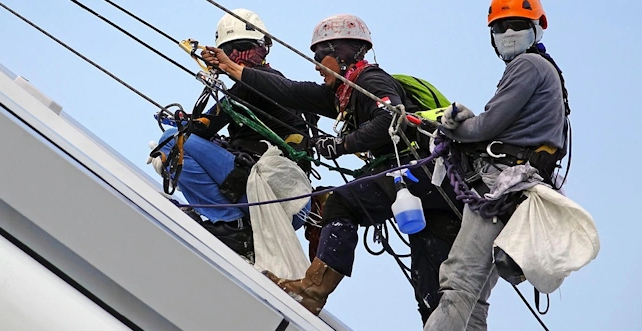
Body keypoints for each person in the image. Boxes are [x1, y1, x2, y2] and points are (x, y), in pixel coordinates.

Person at [202, 14, 473, 322]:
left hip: (422, 170)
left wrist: (340, 145)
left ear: (342, 54)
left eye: (320, 56)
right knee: (429, 282)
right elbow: (289, 91)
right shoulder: (341, 95)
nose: (316, 65)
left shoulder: (371, 80)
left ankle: (312, 291)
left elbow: (388, 119)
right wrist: (232, 68)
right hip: (436, 188)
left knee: (342, 201)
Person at [423, 0, 568, 330]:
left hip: (501, 185)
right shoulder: (547, 71)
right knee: (475, 296)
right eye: (501, 27)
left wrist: (452, 126)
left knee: (459, 281)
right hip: (519, 188)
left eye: (517, 24)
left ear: (536, 29)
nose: (509, 33)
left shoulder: (528, 65)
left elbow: (487, 127)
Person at [150, 9, 310, 261]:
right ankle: (234, 224)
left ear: (263, 48)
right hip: (289, 202)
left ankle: (230, 224)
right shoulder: (270, 85)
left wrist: (186, 125)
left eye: (243, 47)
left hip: (276, 195)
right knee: (192, 144)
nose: (236, 56)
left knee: (172, 141)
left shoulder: (258, 82)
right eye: (229, 50)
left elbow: (204, 126)